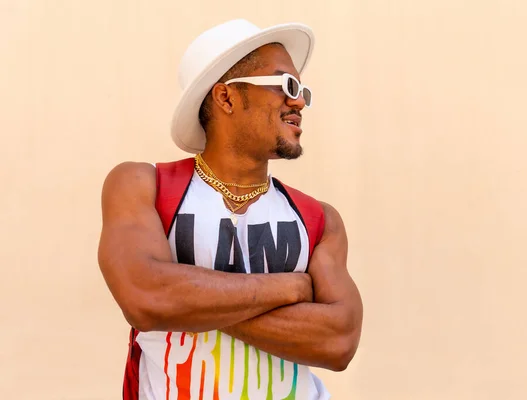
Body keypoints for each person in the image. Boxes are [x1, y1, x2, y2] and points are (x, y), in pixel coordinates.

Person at [97, 19, 363, 400]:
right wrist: (291, 287)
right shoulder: (144, 186)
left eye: (303, 89)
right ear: (226, 98)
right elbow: (147, 299)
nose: (299, 100)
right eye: (286, 85)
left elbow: (339, 341)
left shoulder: (318, 218)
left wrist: (190, 301)